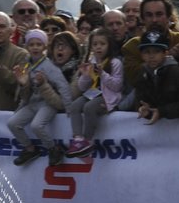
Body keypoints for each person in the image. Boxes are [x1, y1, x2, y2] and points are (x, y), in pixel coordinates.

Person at [7, 29, 71, 166]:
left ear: (44, 47)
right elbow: (24, 93)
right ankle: (30, 148)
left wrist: (68, 107)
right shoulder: (26, 65)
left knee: (37, 125)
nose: (35, 47)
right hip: (32, 102)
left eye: (38, 44)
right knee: (12, 123)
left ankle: (53, 149)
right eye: (31, 44)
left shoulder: (49, 66)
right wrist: (23, 84)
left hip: (47, 103)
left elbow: (63, 86)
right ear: (26, 47)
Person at [65, 27, 125, 157]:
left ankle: (88, 140)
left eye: (102, 44)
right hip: (92, 93)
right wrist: (86, 75)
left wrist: (102, 74)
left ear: (109, 45)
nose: (98, 47)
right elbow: (81, 87)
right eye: (95, 44)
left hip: (107, 96)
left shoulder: (115, 62)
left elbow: (117, 86)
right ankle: (78, 139)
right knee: (74, 106)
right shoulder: (91, 61)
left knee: (88, 108)